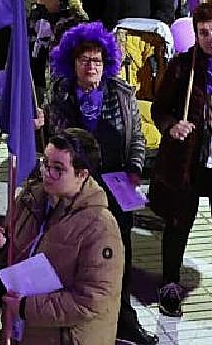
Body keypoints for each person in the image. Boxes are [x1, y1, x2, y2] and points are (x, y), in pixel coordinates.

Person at [42, 26, 155, 345]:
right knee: (76, 259)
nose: (91, 66)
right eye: (84, 60)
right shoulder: (61, 94)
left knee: (118, 258)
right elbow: (56, 141)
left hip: (117, 190)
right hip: (75, 194)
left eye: (97, 60)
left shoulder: (121, 93)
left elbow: (136, 139)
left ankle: (123, 320)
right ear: (72, 62)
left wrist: (134, 169)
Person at [149, 2, 212, 322]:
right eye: (203, 32)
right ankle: (169, 283)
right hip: (189, 164)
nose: (210, 39)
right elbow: (159, 109)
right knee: (178, 224)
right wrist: (171, 126)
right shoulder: (184, 67)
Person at [0, 128, 125, 345]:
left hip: (63, 336)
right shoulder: (33, 197)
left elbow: (91, 300)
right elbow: (17, 253)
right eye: (45, 164)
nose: (47, 174)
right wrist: (1, 245)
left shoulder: (100, 227)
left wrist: (26, 307)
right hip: (21, 330)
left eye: (58, 169)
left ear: (82, 174)